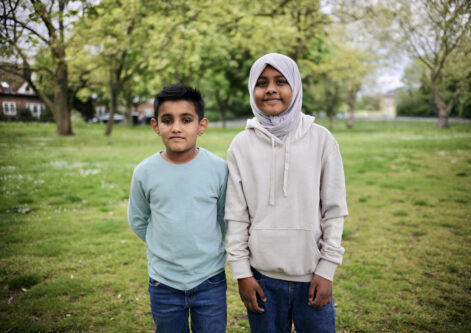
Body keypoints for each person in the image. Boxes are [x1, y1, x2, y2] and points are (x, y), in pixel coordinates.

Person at [225, 53, 348, 333]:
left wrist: (326, 269)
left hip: (312, 276)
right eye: (261, 82)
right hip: (261, 279)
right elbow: (236, 215)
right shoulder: (240, 145)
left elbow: (334, 210)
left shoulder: (322, 139)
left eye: (280, 81)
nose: (270, 88)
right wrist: (242, 273)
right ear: (251, 89)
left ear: (295, 85)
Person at [127, 84, 228, 333]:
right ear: (155, 126)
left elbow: (224, 218)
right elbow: (138, 220)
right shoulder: (144, 172)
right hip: (164, 283)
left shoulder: (218, 169)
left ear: (201, 126)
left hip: (210, 280)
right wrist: (163, 245)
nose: (176, 127)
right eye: (167, 120)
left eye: (186, 120)